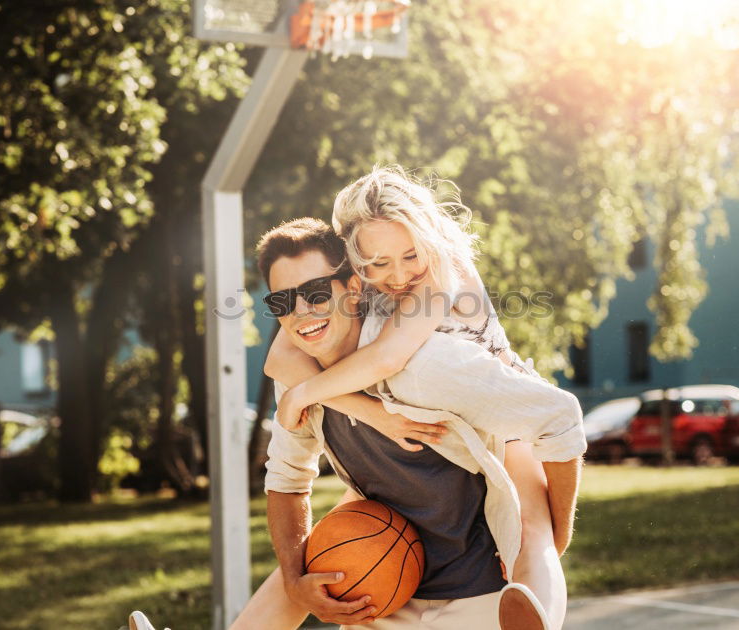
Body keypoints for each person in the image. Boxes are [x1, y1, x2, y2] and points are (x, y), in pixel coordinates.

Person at [229, 217, 585, 630]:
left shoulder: (425, 363)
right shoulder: (297, 373)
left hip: (482, 590)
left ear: (354, 287)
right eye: (281, 303)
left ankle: (541, 592)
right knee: (306, 562)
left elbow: (559, 418)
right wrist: (295, 581)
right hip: (385, 591)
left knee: (534, 532)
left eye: (315, 293)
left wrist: (559, 534)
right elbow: (287, 480)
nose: (300, 313)